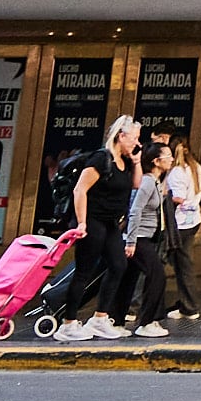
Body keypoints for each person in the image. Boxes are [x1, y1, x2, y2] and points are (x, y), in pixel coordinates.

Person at [57, 116, 141, 341]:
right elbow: (80, 190)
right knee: (84, 271)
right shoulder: (100, 159)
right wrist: (82, 222)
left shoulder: (125, 162)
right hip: (93, 221)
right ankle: (68, 323)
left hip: (111, 223)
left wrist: (136, 160)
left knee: (118, 265)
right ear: (121, 136)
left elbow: (136, 184)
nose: (137, 143)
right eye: (133, 138)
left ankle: (100, 318)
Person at [116, 139, 177, 338]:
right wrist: (131, 241)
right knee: (157, 275)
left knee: (130, 278)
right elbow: (135, 211)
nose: (172, 159)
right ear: (157, 161)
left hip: (145, 238)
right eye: (168, 156)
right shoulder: (148, 182)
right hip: (139, 239)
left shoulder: (156, 181)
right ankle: (147, 321)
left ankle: (117, 320)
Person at [163, 135, 201, 320]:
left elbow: (178, 197)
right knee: (184, 264)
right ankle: (188, 305)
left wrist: (162, 196)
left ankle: (188, 306)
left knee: (165, 262)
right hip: (192, 220)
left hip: (178, 224)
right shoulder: (196, 167)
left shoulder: (177, 172)